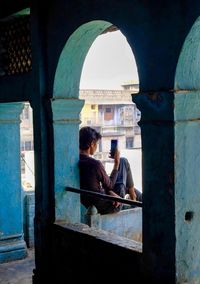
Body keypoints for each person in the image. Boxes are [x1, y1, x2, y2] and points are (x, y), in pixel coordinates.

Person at [78, 126, 142, 215]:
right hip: (112, 205)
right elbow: (110, 185)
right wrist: (116, 163)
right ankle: (134, 199)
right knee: (123, 161)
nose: (96, 146)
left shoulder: (76, 161)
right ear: (92, 144)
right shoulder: (95, 164)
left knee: (129, 187)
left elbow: (103, 186)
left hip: (92, 201)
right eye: (97, 144)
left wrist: (110, 191)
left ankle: (134, 196)